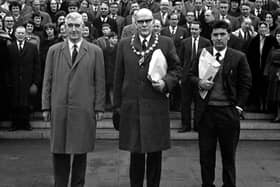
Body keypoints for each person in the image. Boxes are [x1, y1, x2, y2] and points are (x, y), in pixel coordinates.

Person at [113, 8, 181, 187]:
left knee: (155, 154)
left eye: (148, 21)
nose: (144, 25)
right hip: (132, 107)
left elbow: (177, 70)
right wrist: (117, 107)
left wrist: (166, 83)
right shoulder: (124, 44)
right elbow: (118, 77)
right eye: (140, 21)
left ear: (153, 22)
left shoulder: (166, 43)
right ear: (135, 23)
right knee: (135, 154)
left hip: (156, 107)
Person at [41, 12, 105, 187]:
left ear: (84, 28)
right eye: (70, 26)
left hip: (83, 109)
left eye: (77, 25)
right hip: (60, 108)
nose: (74, 29)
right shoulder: (54, 51)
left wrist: (99, 107)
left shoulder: (95, 51)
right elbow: (47, 79)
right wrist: (46, 106)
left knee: (80, 151)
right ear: (64, 28)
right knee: (59, 151)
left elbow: (100, 81)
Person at [189, 20, 252, 187]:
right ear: (210, 36)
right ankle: (207, 184)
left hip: (228, 112)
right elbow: (190, 75)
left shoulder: (238, 57)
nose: (218, 38)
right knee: (206, 156)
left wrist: (239, 107)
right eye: (215, 35)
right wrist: (199, 82)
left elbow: (245, 83)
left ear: (228, 36)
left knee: (229, 155)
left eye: (222, 35)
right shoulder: (203, 54)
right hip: (207, 113)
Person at [179, 21, 211, 132]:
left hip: (199, 77)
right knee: (185, 103)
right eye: (192, 29)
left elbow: (208, 60)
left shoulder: (206, 42)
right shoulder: (184, 42)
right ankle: (185, 126)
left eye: (196, 29)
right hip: (186, 77)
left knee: (199, 103)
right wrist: (180, 76)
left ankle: (198, 125)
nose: (194, 31)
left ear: (200, 30)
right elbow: (181, 60)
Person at [7, 26, 41, 131]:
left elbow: (37, 66)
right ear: (15, 34)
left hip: (28, 80)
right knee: (15, 103)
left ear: (26, 34)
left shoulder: (32, 47)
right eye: (19, 33)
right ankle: (15, 124)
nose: (20, 35)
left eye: (22, 33)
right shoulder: (10, 47)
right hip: (14, 80)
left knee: (26, 103)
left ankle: (26, 124)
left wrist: (35, 82)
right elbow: (6, 66)